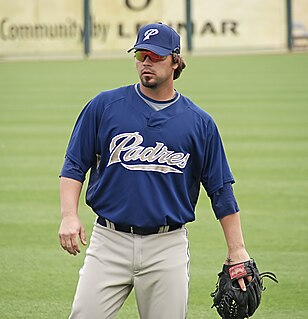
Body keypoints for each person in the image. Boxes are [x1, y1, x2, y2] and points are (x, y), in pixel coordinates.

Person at [58, 22, 250, 319]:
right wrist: (69, 216)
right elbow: (74, 164)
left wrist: (237, 250)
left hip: (167, 247)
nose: (146, 62)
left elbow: (221, 190)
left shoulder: (199, 123)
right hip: (109, 242)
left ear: (176, 61)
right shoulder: (105, 106)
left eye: (155, 56)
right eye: (141, 55)